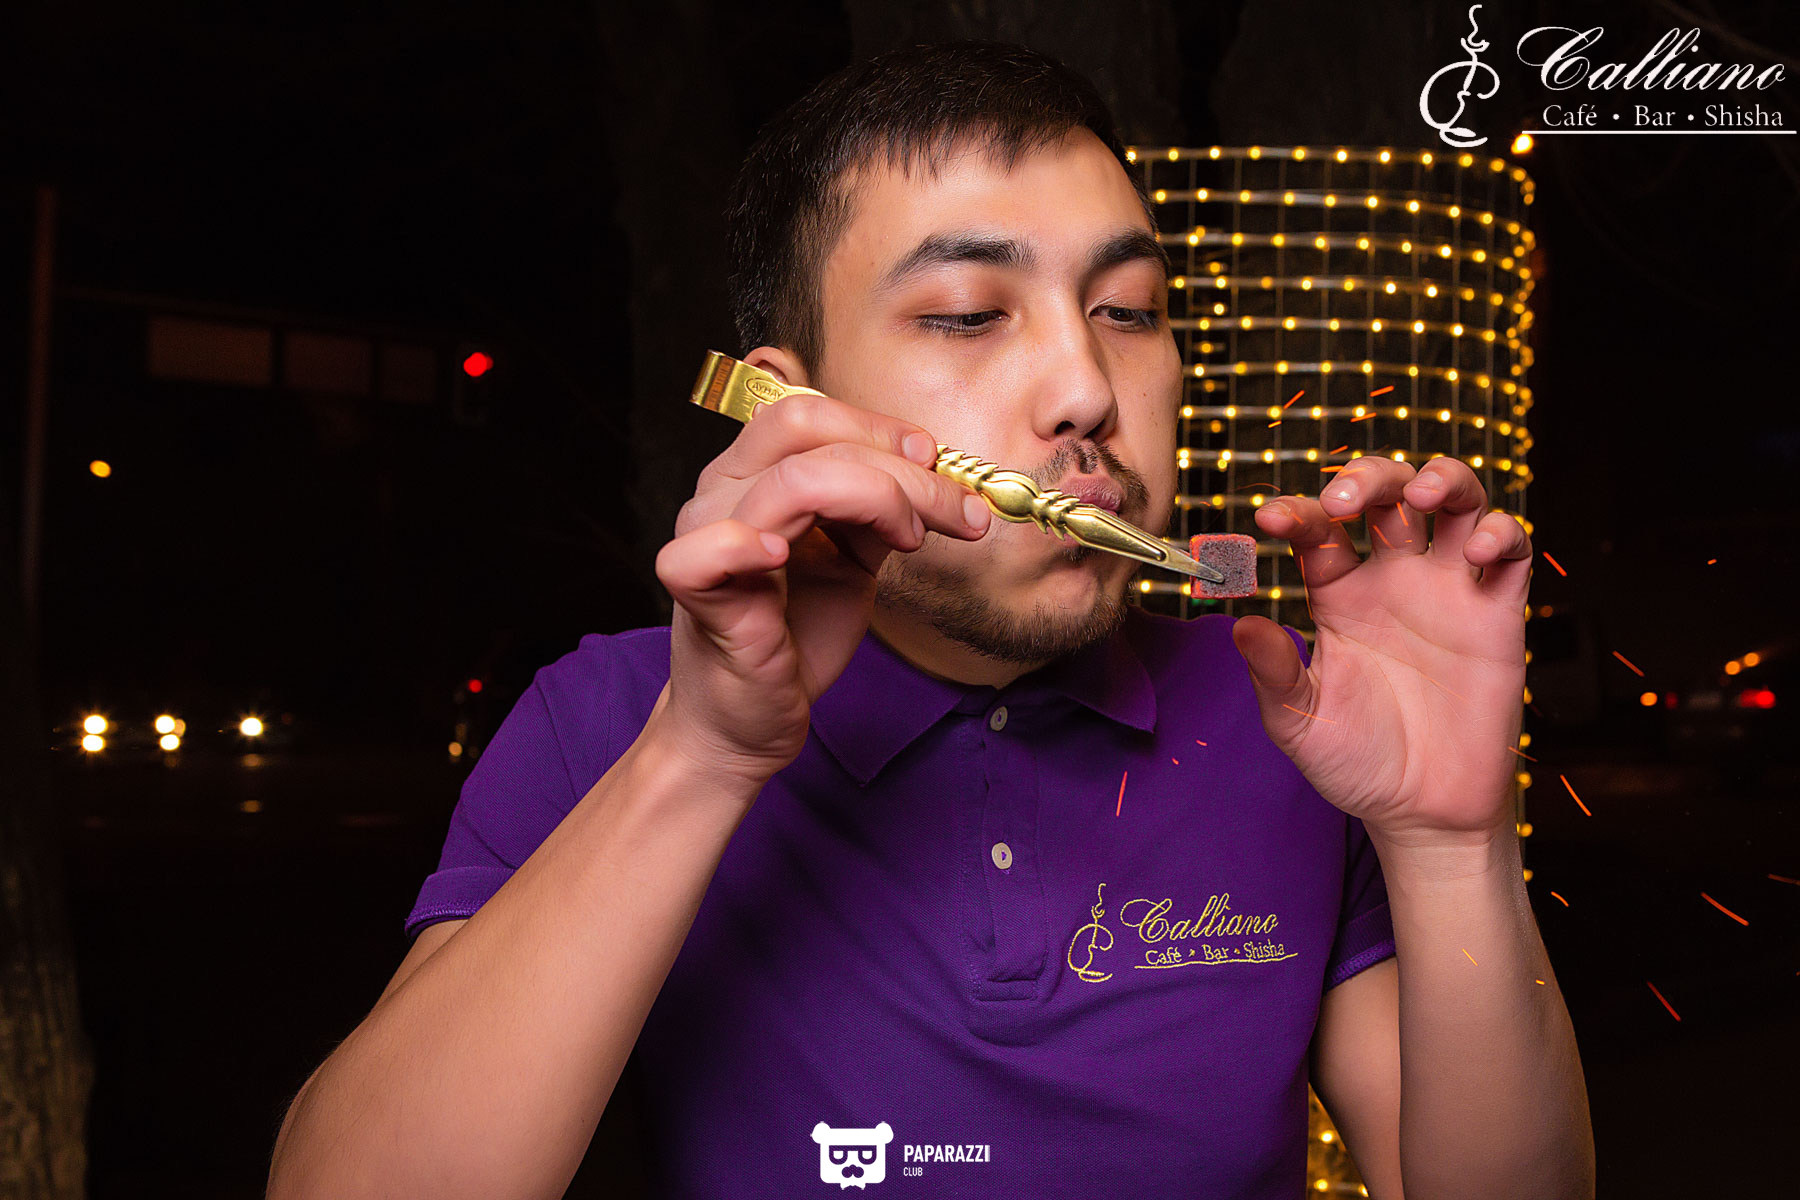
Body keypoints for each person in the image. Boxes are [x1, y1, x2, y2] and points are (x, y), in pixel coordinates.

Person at [267, 40, 1594, 1199]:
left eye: (1130, 311)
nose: (1087, 386)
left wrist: (1450, 845)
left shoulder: (1295, 715)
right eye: (968, 315)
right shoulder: (611, 720)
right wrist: (700, 757)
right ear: (789, 407)